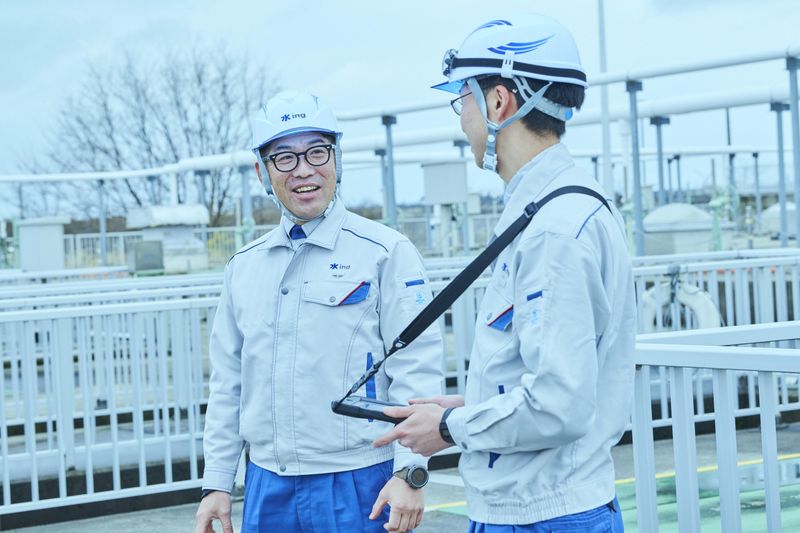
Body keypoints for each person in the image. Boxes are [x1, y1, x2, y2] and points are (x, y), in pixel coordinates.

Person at [374, 14, 636, 532]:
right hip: (536, 508)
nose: (462, 121)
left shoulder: (554, 231)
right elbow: (544, 378)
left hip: (545, 515)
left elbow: (558, 406)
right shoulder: (556, 209)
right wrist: (469, 406)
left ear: (499, 102)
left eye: (463, 100)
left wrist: (450, 426)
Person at [195, 90, 444, 533]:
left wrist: (410, 471)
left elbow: (417, 368)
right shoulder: (243, 267)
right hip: (267, 483)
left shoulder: (386, 252)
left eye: (317, 151)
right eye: (284, 158)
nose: (303, 169)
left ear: (337, 158)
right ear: (262, 171)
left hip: (360, 480)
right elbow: (229, 384)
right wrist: (216, 482)